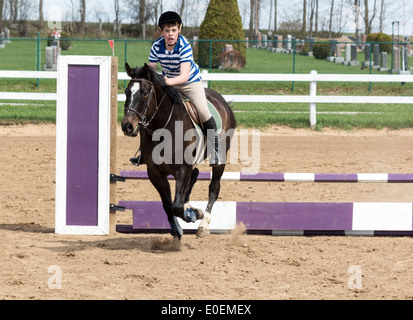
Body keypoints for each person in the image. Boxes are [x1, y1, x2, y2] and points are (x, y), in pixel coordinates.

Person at [130, 11, 222, 167]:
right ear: (161, 31)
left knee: (203, 111)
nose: (170, 34)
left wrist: (165, 81)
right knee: (149, 109)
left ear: (179, 29)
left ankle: (215, 152)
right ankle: (143, 152)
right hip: (168, 82)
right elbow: (150, 73)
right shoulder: (156, 47)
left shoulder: (184, 46)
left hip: (189, 83)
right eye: (167, 30)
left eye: (173, 30)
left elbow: (184, 76)